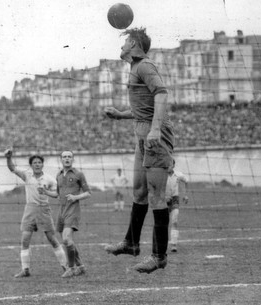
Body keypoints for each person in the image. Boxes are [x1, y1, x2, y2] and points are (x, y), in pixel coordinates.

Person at [103, 27, 174, 274]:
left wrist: (155, 130)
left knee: (156, 195)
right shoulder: (133, 68)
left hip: (155, 135)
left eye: (124, 42)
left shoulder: (144, 66)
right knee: (139, 191)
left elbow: (162, 95)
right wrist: (122, 115)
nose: (121, 46)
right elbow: (143, 108)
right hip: (142, 131)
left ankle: (159, 256)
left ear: (132, 42)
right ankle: (132, 243)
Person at [3, 147, 67, 278]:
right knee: (25, 239)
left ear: (42, 164)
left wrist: (46, 192)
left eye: (39, 162)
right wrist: (8, 158)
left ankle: (66, 267)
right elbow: (12, 169)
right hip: (30, 209)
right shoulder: (27, 175)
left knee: (52, 239)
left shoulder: (49, 179)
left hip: (44, 209)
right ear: (31, 165)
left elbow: (57, 194)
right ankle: (25, 270)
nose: (37, 164)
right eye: (35, 163)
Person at [50, 151, 91, 278]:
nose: (67, 159)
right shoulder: (58, 174)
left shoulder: (78, 174)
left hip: (73, 210)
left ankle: (71, 268)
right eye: (64, 157)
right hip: (62, 211)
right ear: (61, 159)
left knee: (66, 239)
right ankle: (81, 267)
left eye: (69, 157)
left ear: (72, 159)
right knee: (68, 241)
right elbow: (57, 194)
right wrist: (44, 191)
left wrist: (75, 197)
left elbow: (88, 193)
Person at [165, 160, 188, 253]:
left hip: (175, 199)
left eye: (170, 165)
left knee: (174, 221)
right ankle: (162, 244)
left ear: (173, 165)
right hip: (163, 201)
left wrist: (185, 195)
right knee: (163, 223)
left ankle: (173, 244)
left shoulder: (178, 175)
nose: (168, 166)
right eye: (167, 165)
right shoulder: (161, 176)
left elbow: (186, 181)